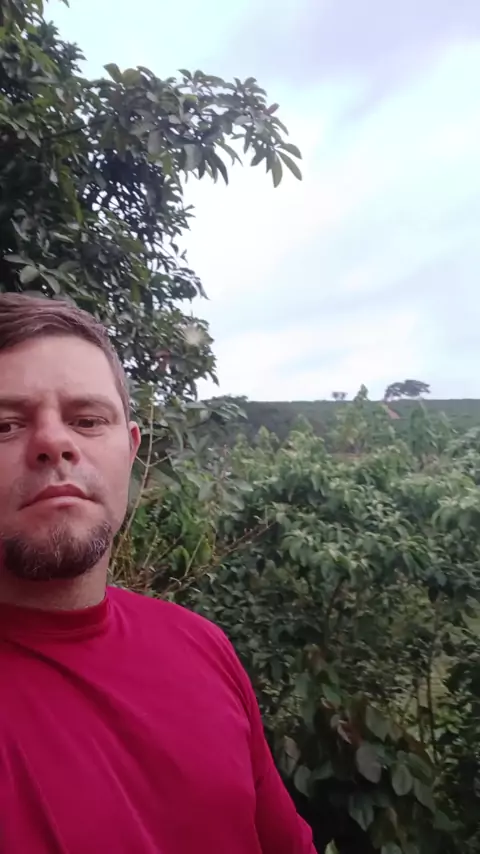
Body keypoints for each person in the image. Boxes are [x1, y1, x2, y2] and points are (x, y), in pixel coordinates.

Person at [0, 293, 315, 854]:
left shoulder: (202, 646)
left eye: (88, 420)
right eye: (4, 425)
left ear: (131, 451)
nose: (55, 444)